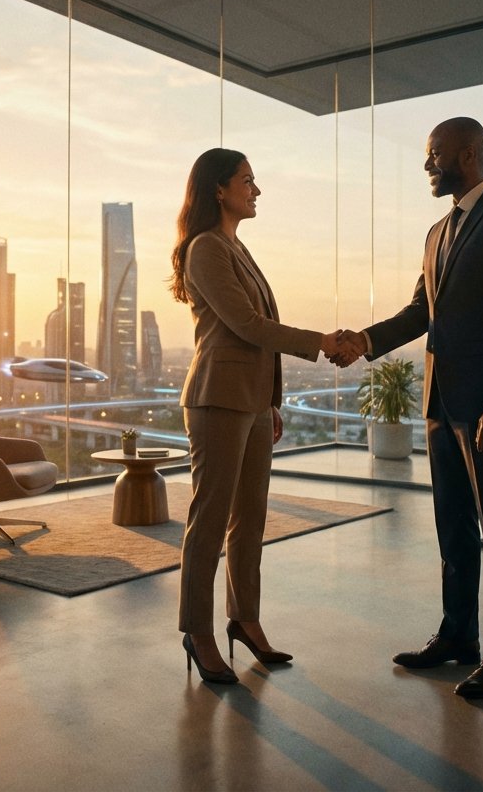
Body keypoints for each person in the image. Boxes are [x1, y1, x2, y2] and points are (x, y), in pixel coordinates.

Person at [334, 117, 483, 699]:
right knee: (452, 527)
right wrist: (365, 341)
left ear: (469, 153)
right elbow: (419, 311)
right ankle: (458, 636)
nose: (428, 165)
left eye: (435, 154)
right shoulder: (436, 233)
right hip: (439, 402)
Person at [170, 147, 343, 684]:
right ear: (219, 189)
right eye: (248, 180)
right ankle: (197, 632)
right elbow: (246, 325)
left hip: (249, 402)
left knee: (251, 518)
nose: (256, 189)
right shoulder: (205, 248)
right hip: (217, 399)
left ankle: (244, 619)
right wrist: (320, 341)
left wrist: (271, 400)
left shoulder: (236, 248)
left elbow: (259, 331)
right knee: (211, 519)